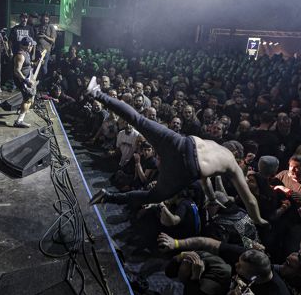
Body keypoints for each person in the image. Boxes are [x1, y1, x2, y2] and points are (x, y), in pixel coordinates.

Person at [86, 76, 266, 225]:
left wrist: (211, 197)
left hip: (181, 143)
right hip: (187, 169)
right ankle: (108, 197)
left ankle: (97, 93)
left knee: (138, 120)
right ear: (236, 154)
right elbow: (250, 200)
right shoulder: (232, 165)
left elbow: (205, 181)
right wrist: (259, 220)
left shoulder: (214, 146)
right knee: (153, 195)